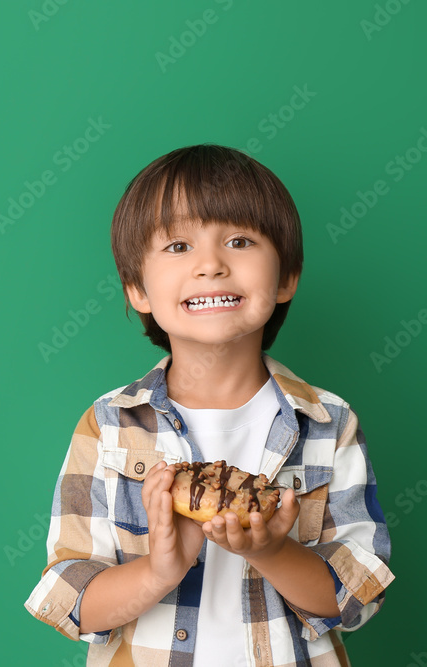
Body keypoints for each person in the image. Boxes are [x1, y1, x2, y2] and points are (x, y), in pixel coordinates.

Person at [23, 144, 395, 666]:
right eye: (177, 246)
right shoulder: (110, 424)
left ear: (286, 277)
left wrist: (269, 550)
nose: (210, 265)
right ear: (137, 289)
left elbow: (356, 598)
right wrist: (159, 570)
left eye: (239, 241)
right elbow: (71, 601)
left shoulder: (328, 423)